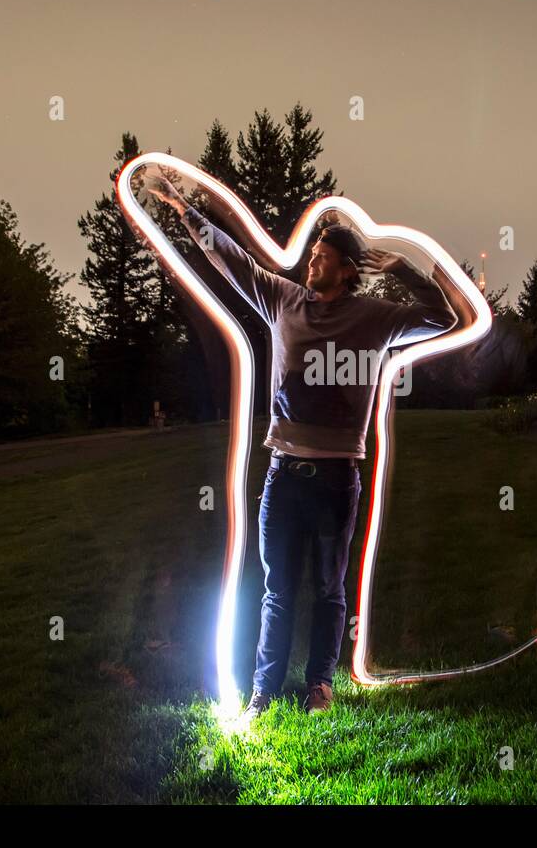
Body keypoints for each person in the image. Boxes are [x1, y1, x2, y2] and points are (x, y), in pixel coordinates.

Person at [146, 178, 463, 721]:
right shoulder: (285, 300)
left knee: (329, 588)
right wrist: (183, 209)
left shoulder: (374, 318)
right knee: (278, 591)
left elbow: (445, 317)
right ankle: (265, 693)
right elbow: (232, 259)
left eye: (322, 256)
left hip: (338, 477)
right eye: (311, 253)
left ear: (346, 270)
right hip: (283, 475)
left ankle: (320, 685)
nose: (310, 261)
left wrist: (405, 270)